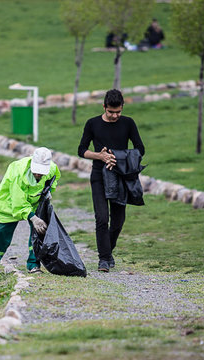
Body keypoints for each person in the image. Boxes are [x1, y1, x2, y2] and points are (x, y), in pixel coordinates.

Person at [78, 89, 145, 272]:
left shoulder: (128, 123)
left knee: (118, 221)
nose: (115, 115)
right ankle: (104, 259)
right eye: (111, 112)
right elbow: (81, 150)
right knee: (101, 218)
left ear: (122, 108)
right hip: (99, 175)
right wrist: (100, 156)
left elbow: (140, 148)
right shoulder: (92, 124)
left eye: (118, 112)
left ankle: (108, 251)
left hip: (120, 176)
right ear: (104, 107)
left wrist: (118, 156)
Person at [0, 147, 61, 279]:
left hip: (34, 202)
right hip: (10, 204)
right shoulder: (18, 172)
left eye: (41, 172)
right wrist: (33, 218)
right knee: (0, 232)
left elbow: (54, 179)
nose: (38, 175)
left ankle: (34, 265)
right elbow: (18, 203)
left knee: (39, 232)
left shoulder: (51, 168)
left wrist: (49, 190)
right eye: (36, 171)